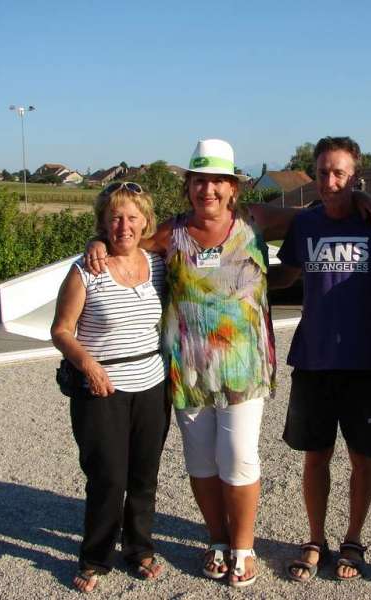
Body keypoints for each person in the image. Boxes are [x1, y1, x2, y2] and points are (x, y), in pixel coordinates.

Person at [84, 139, 303, 587]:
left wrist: (364, 207)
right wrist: (97, 241)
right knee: (201, 462)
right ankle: (218, 540)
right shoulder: (171, 233)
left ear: (233, 188)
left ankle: (244, 547)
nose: (209, 190)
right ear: (188, 187)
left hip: (243, 368)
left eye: (218, 181)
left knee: (239, 457)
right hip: (188, 369)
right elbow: (126, 244)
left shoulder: (255, 220)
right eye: (200, 181)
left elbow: (315, 218)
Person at [270, 136, 371, 582]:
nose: (331, 181)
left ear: (355, 175)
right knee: (315, 457)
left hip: (365, 361)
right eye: (324, 172)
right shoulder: (306, 225)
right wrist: (232, 274)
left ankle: (353, 540)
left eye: (340, 173)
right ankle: (315, 539)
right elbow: (285, 276)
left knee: (362, 458)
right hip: (313, 359)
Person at [51, 182, 168, 592]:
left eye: (133, 217)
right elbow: (61, 330)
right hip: (101, 389)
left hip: (152, 385)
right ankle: (96, 557)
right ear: (103, 223)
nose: (124, 226)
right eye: (115, 218)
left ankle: (139, 548)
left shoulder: (158, 265)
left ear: (145, 222)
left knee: (144, 475)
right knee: (107, 477)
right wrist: (88, 365)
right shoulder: (86, 270)